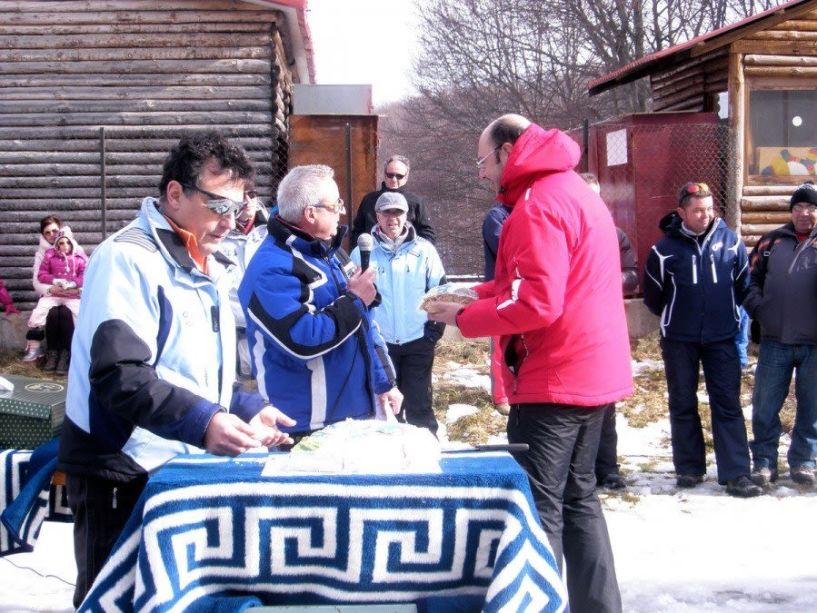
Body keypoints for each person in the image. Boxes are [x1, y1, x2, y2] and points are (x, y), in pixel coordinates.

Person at [57, 131, 295, 608]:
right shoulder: (128, 258)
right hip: (120, 469)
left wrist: (246, 408)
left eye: (239, 208)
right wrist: (204, 420)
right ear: (174, 193)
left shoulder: (208, 262)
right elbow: (120, 374)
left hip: (176, 460)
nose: (230, 221)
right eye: (219, 206)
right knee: (117, 599)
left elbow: (196, 372)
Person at [426, 114, 630, 613]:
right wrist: (472, 294)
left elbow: (538, 302)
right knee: (580, 498)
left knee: (538, 508)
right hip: (593, 372)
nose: (480, 173)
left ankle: (536, 604)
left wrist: (464, 317)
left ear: (507, 151)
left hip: (555, 378)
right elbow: (530, 281)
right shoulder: (572, 192)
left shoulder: (538, 205)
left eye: (482, 160)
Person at [239, 164, 402, 437]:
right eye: (335, 204)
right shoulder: (271, 268)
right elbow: (303, 337)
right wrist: (355, 300)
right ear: (310, 213)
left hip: (354, 417)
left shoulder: (331, 254)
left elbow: (365, 326)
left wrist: (384, 381)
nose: (343, 210)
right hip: (303, 427)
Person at [643, 182, 761, 498]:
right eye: (697, 210)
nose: (704, 215)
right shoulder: (663, 250)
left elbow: (743, 286)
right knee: (682, 402)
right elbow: (654, 299)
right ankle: (689, 468)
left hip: (722, 337)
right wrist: (680, 315)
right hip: (679, 339)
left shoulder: (731, 243)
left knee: (727, 403)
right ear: (681, 212)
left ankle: (736, 473)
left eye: (709, 209)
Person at [351, 192, 446, 435]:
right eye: (387, 212)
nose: (392, 218)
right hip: (381, 346)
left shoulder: (425, 250)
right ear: (377, 217)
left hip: (417, 341)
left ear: (407, 216)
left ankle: (426, 465)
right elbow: (351, 297)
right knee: (383, 410)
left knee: (419, 408)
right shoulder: (361, 253)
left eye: (398, 212)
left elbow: (439, 291)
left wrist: (432, 333)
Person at [744, 182, 817, 487]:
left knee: (812, 408)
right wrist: (761, 309)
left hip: (815, 344)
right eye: (798, 207)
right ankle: (763, 462)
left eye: (811, 207)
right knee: (765, 405)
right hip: (775, 340)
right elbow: (748, 281)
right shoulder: (770, 242)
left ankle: (804, 461)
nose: (805, 213)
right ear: (790, 211)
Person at [581, 172, 636, 490]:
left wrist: (603, 283)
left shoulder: (615, 235)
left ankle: (608, 468)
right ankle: (582, 470)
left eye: (595, 195)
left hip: (606, 326)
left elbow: (631, 276)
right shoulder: (564, 232)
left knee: (606, 403)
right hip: (573, 329)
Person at [218, 186, 269, 379]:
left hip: (266, 325)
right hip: (231, 326)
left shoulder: (271, 232)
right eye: (242, 195)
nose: (248, 200)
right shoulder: (218, 233)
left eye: (253, 194)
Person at [23, 216, 85, 365]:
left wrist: (76, 288)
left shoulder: (78, 253)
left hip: (73, 295)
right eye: (47, 232)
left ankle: (73, 352)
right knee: (48, 314)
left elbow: (86, 274)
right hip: (51, 294)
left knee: (75, 315)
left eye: (54, 231)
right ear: (43, 235)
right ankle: (49, 352)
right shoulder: (44, 254)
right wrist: (53, 286)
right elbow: (38, 280)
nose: (52, 235)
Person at [349, 155, 435, 247]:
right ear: (385, 175)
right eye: (390, 175)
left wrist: (413, 253)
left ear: (406, 178)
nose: (394, 179)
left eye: (399, 176)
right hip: (373, 257)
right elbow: (357, 232)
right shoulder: (369, 200)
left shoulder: (416, 202)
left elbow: (428, 234)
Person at [482, 201, 512, 416]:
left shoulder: (531, 209)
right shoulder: (496, 216)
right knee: (500, 346)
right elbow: (507, 250)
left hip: (527, 287)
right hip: (500, 290)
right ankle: (501, 396)